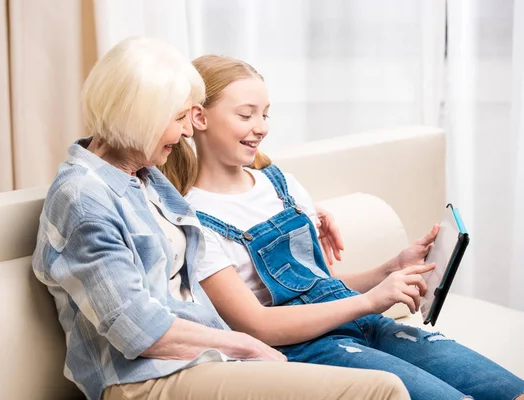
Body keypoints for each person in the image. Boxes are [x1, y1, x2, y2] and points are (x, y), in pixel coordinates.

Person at [32, 37, 410, 400]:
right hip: (145, 380)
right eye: (178, 118)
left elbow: (218, 209)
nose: (185, 132)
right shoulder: (83, 199)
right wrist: (245, 343)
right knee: (382, 390)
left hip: (205, 359)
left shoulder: (142, 177)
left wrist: (300, 213)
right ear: (139, 117)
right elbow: (139, 332)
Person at [161, 54, 524, 400]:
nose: (261, 128)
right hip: (306, 350)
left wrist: (390, 269)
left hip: (364, 323)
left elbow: (323, 289)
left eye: (266, 114)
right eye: (246, 115)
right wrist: (370, 300)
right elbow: (257, 324)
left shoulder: (280, 183)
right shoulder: (191, 218)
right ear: (199, 118)